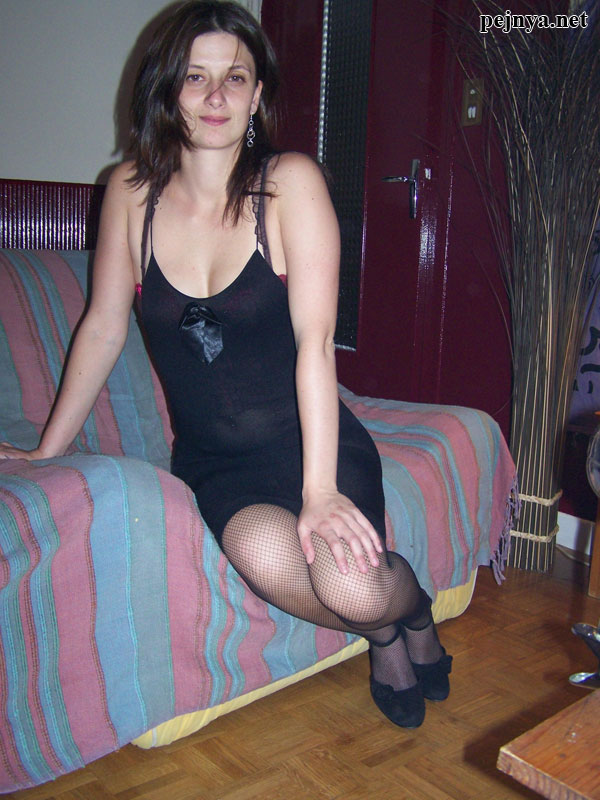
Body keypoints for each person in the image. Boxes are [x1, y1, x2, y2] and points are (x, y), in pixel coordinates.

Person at [0, 0, 451, 728]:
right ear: (168, 90)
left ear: (257, 95)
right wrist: (46, 452)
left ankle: (412, 612)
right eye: (196, 77)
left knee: (356, 588)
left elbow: (315, 342)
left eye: (234, 77)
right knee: (286, 571)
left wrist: (320, 491)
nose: (215, 95)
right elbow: (103, 327)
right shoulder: (130, 195)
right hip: (218, 464)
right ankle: (386, 634)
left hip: (311, 444)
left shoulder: (290, 184)